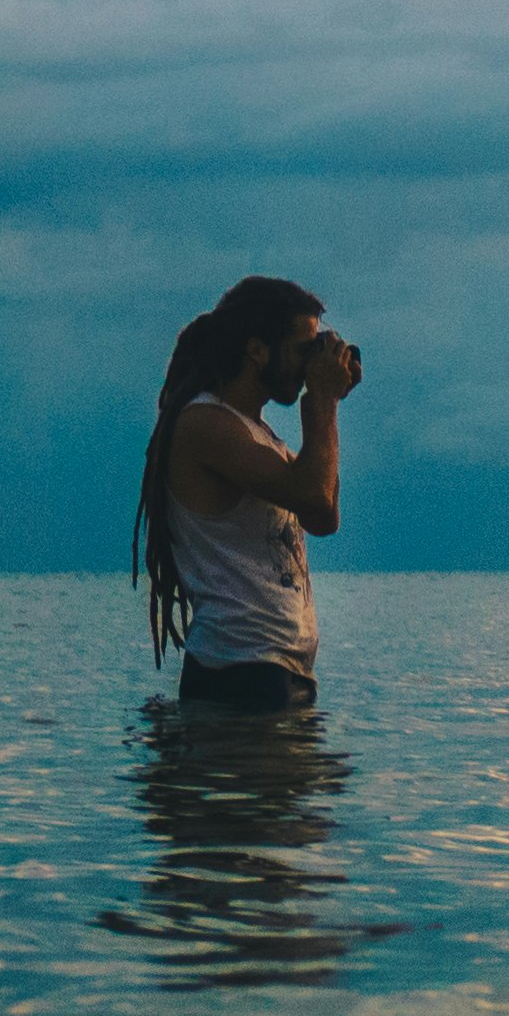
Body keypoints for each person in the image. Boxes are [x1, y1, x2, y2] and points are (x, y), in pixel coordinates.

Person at [132, 273, 359, 707]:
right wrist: (323, 402)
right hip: (239, 672)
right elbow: (315, 495)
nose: (307, 363)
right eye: (301, 349)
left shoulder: (259, 436)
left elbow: (323, 515)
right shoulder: (206, 424)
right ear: (257, 350)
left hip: (277, 671)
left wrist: (325, 402)